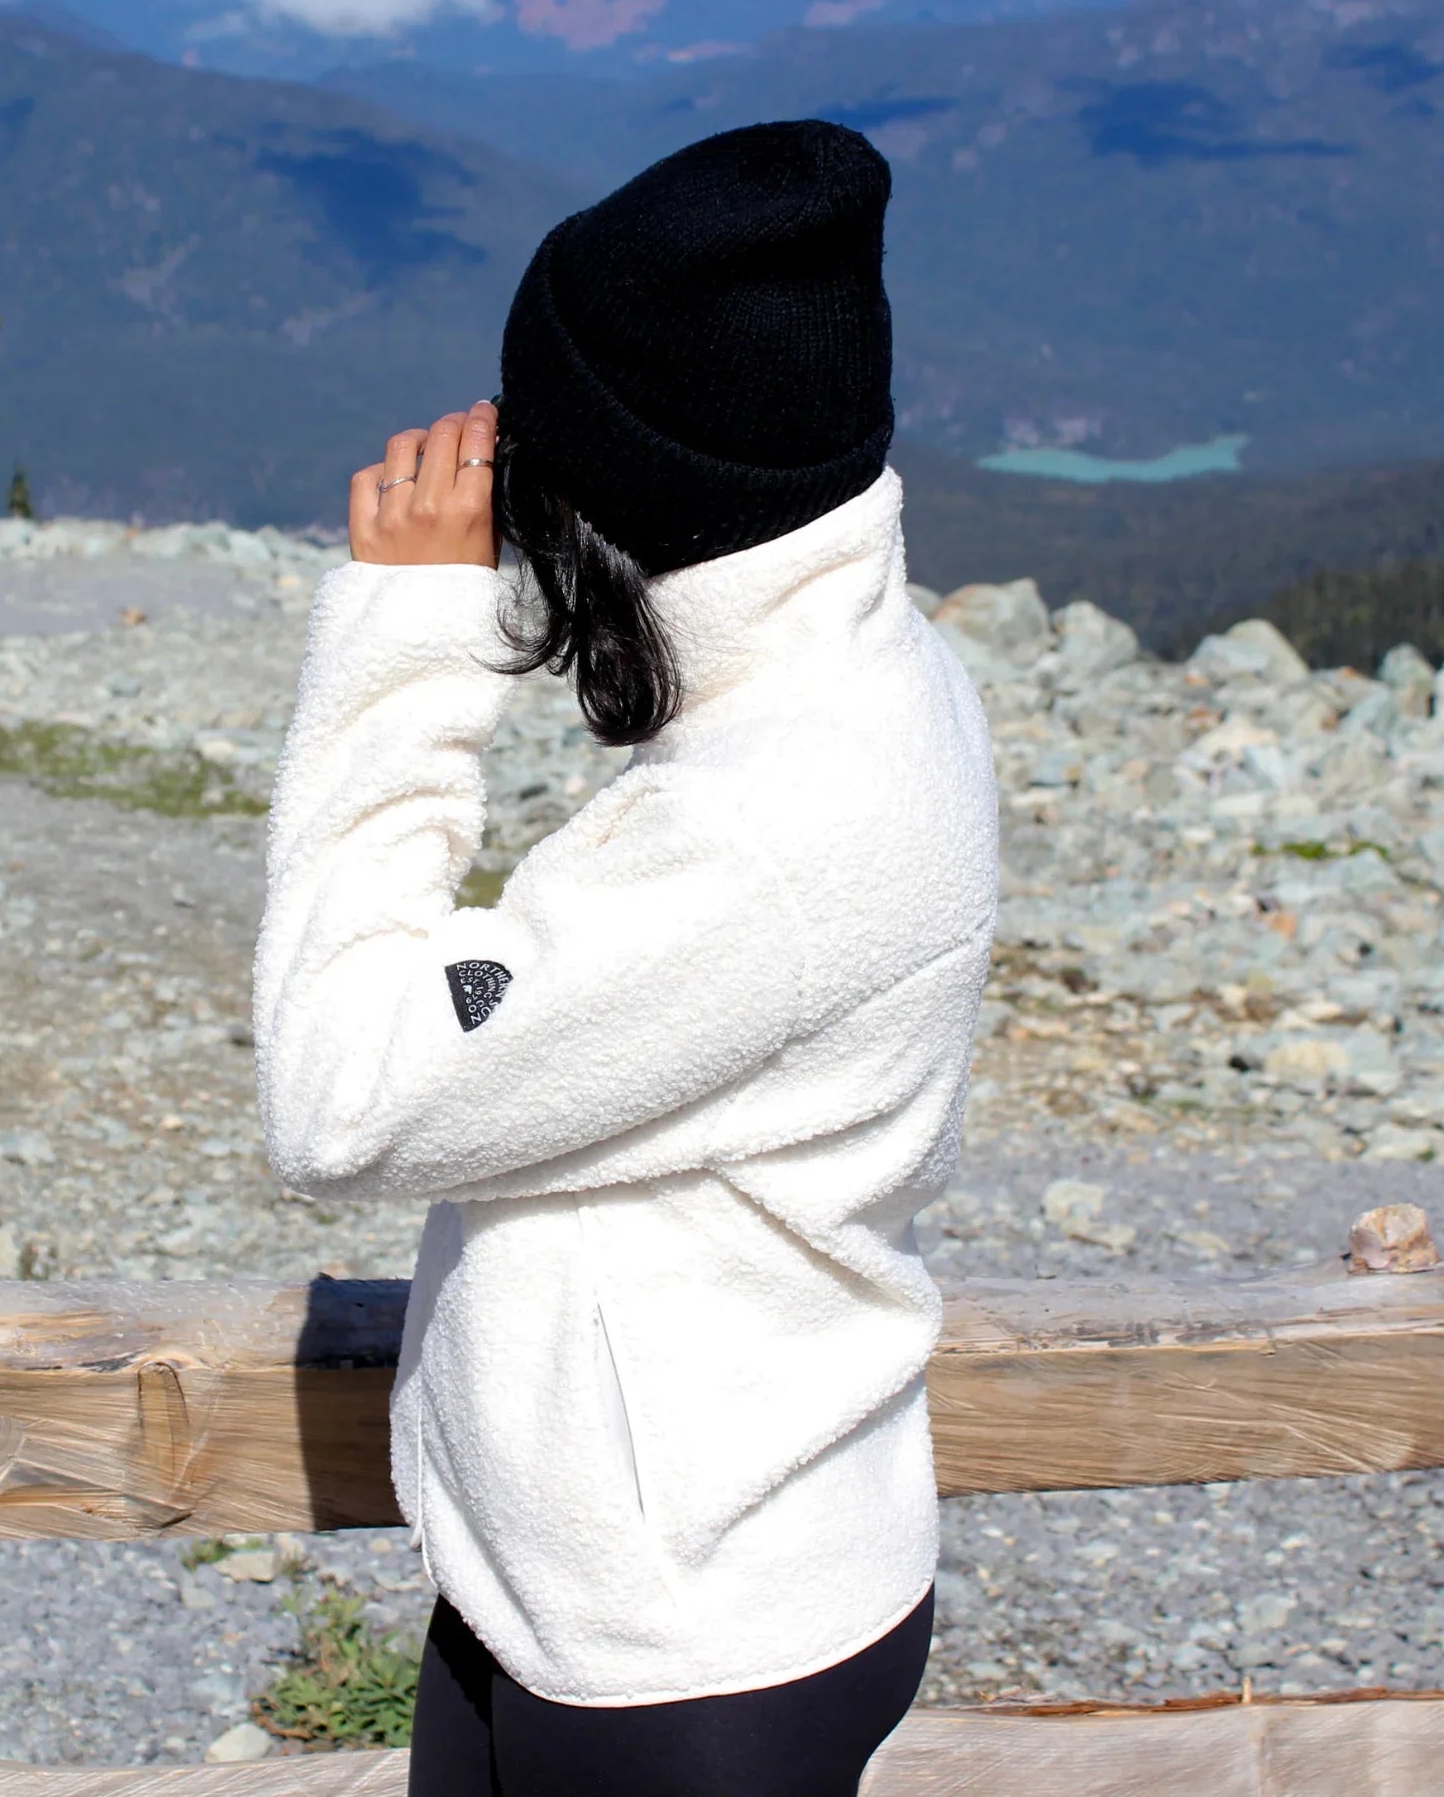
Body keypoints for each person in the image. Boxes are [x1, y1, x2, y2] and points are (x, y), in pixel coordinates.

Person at [252, 119, 1000, 1797]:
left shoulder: (767, 830)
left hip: (679, 1659)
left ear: (633, 486)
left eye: (543, 440)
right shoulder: (871, 674)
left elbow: (337, 1098)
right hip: (622, 1588)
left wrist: (405, 648)